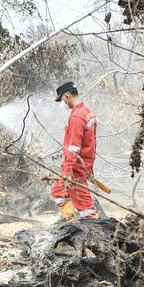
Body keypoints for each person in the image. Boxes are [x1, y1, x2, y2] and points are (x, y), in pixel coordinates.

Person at [51, 81, 99, 221]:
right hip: (83, 164)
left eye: (61, 100)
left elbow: (73, 148)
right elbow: (92, 143)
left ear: (67, 96)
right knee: (59, 193)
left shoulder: (77, 116)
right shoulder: (88, 112)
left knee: (85, 206)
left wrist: (66, 173)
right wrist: (89, 168)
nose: (62, 103)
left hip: (75, 168)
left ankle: (93, 226)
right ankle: (70, 222)